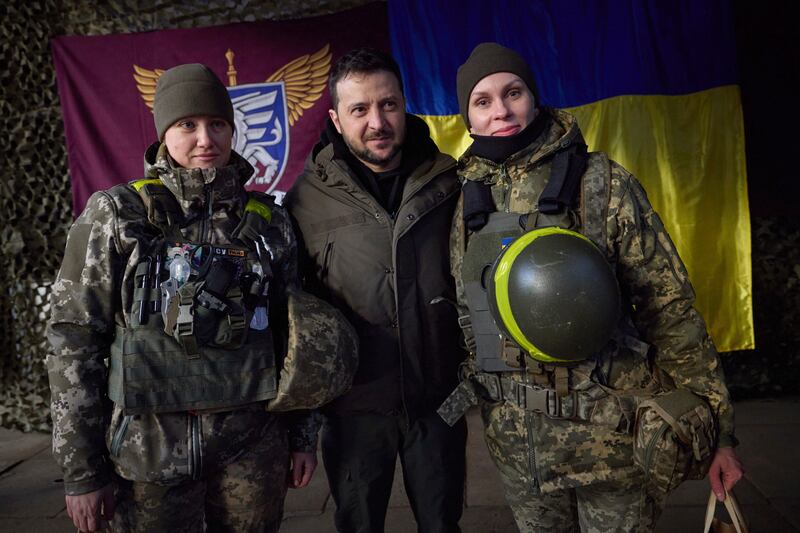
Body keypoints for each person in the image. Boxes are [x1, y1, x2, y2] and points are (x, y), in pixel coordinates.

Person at [438, 42, 744, 532]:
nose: (501, 110)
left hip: (612, 443)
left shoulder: (601, 183)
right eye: (483, 100)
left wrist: (720, 432)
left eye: (513, 92)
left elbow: (671, 312)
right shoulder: (460, 202)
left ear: (534, 98)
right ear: (468, 120)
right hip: (522, 454)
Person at [47, 63, 322, 533]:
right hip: (147, 453)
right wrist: (81, 473)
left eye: (217, 124)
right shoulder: (117, 216)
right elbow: (74, 339)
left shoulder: (268, 222)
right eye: (186, 125)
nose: (204, 139)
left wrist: (302, 436)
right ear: (163, 133)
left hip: (251, 449)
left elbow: (296, 335)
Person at [284, 48, 467, 533]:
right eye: (359, 110)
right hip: (353, 407)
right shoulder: (305, 201)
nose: (377, 122)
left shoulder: (451, 183)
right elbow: (293, 314)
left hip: (437, 400)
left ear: (405, 104)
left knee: (443, 523)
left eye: (388, 105)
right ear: (335, 118)